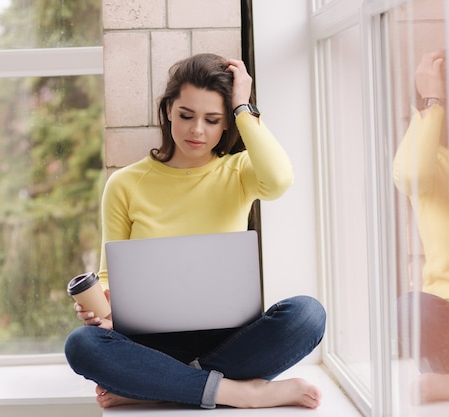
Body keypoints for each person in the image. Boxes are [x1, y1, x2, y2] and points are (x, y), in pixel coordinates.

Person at [64, 53, 326, 410]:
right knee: (81, 345)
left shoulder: (239, 171)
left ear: (225, 125)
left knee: (308, 315)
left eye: (212, 119)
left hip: (229, 339)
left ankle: (163, 384)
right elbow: (110, 274)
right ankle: (239, 393)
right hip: (150, 343)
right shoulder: (125, 184)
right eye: (186, 115)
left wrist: (244, 109)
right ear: (169, 109)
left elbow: (279, 180)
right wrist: (101, 306)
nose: (197, 130)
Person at [393, 50, 449, 404]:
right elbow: (410, 176)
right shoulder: (433, 161)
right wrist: (433, 100)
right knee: (412, 307)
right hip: (444, 308)